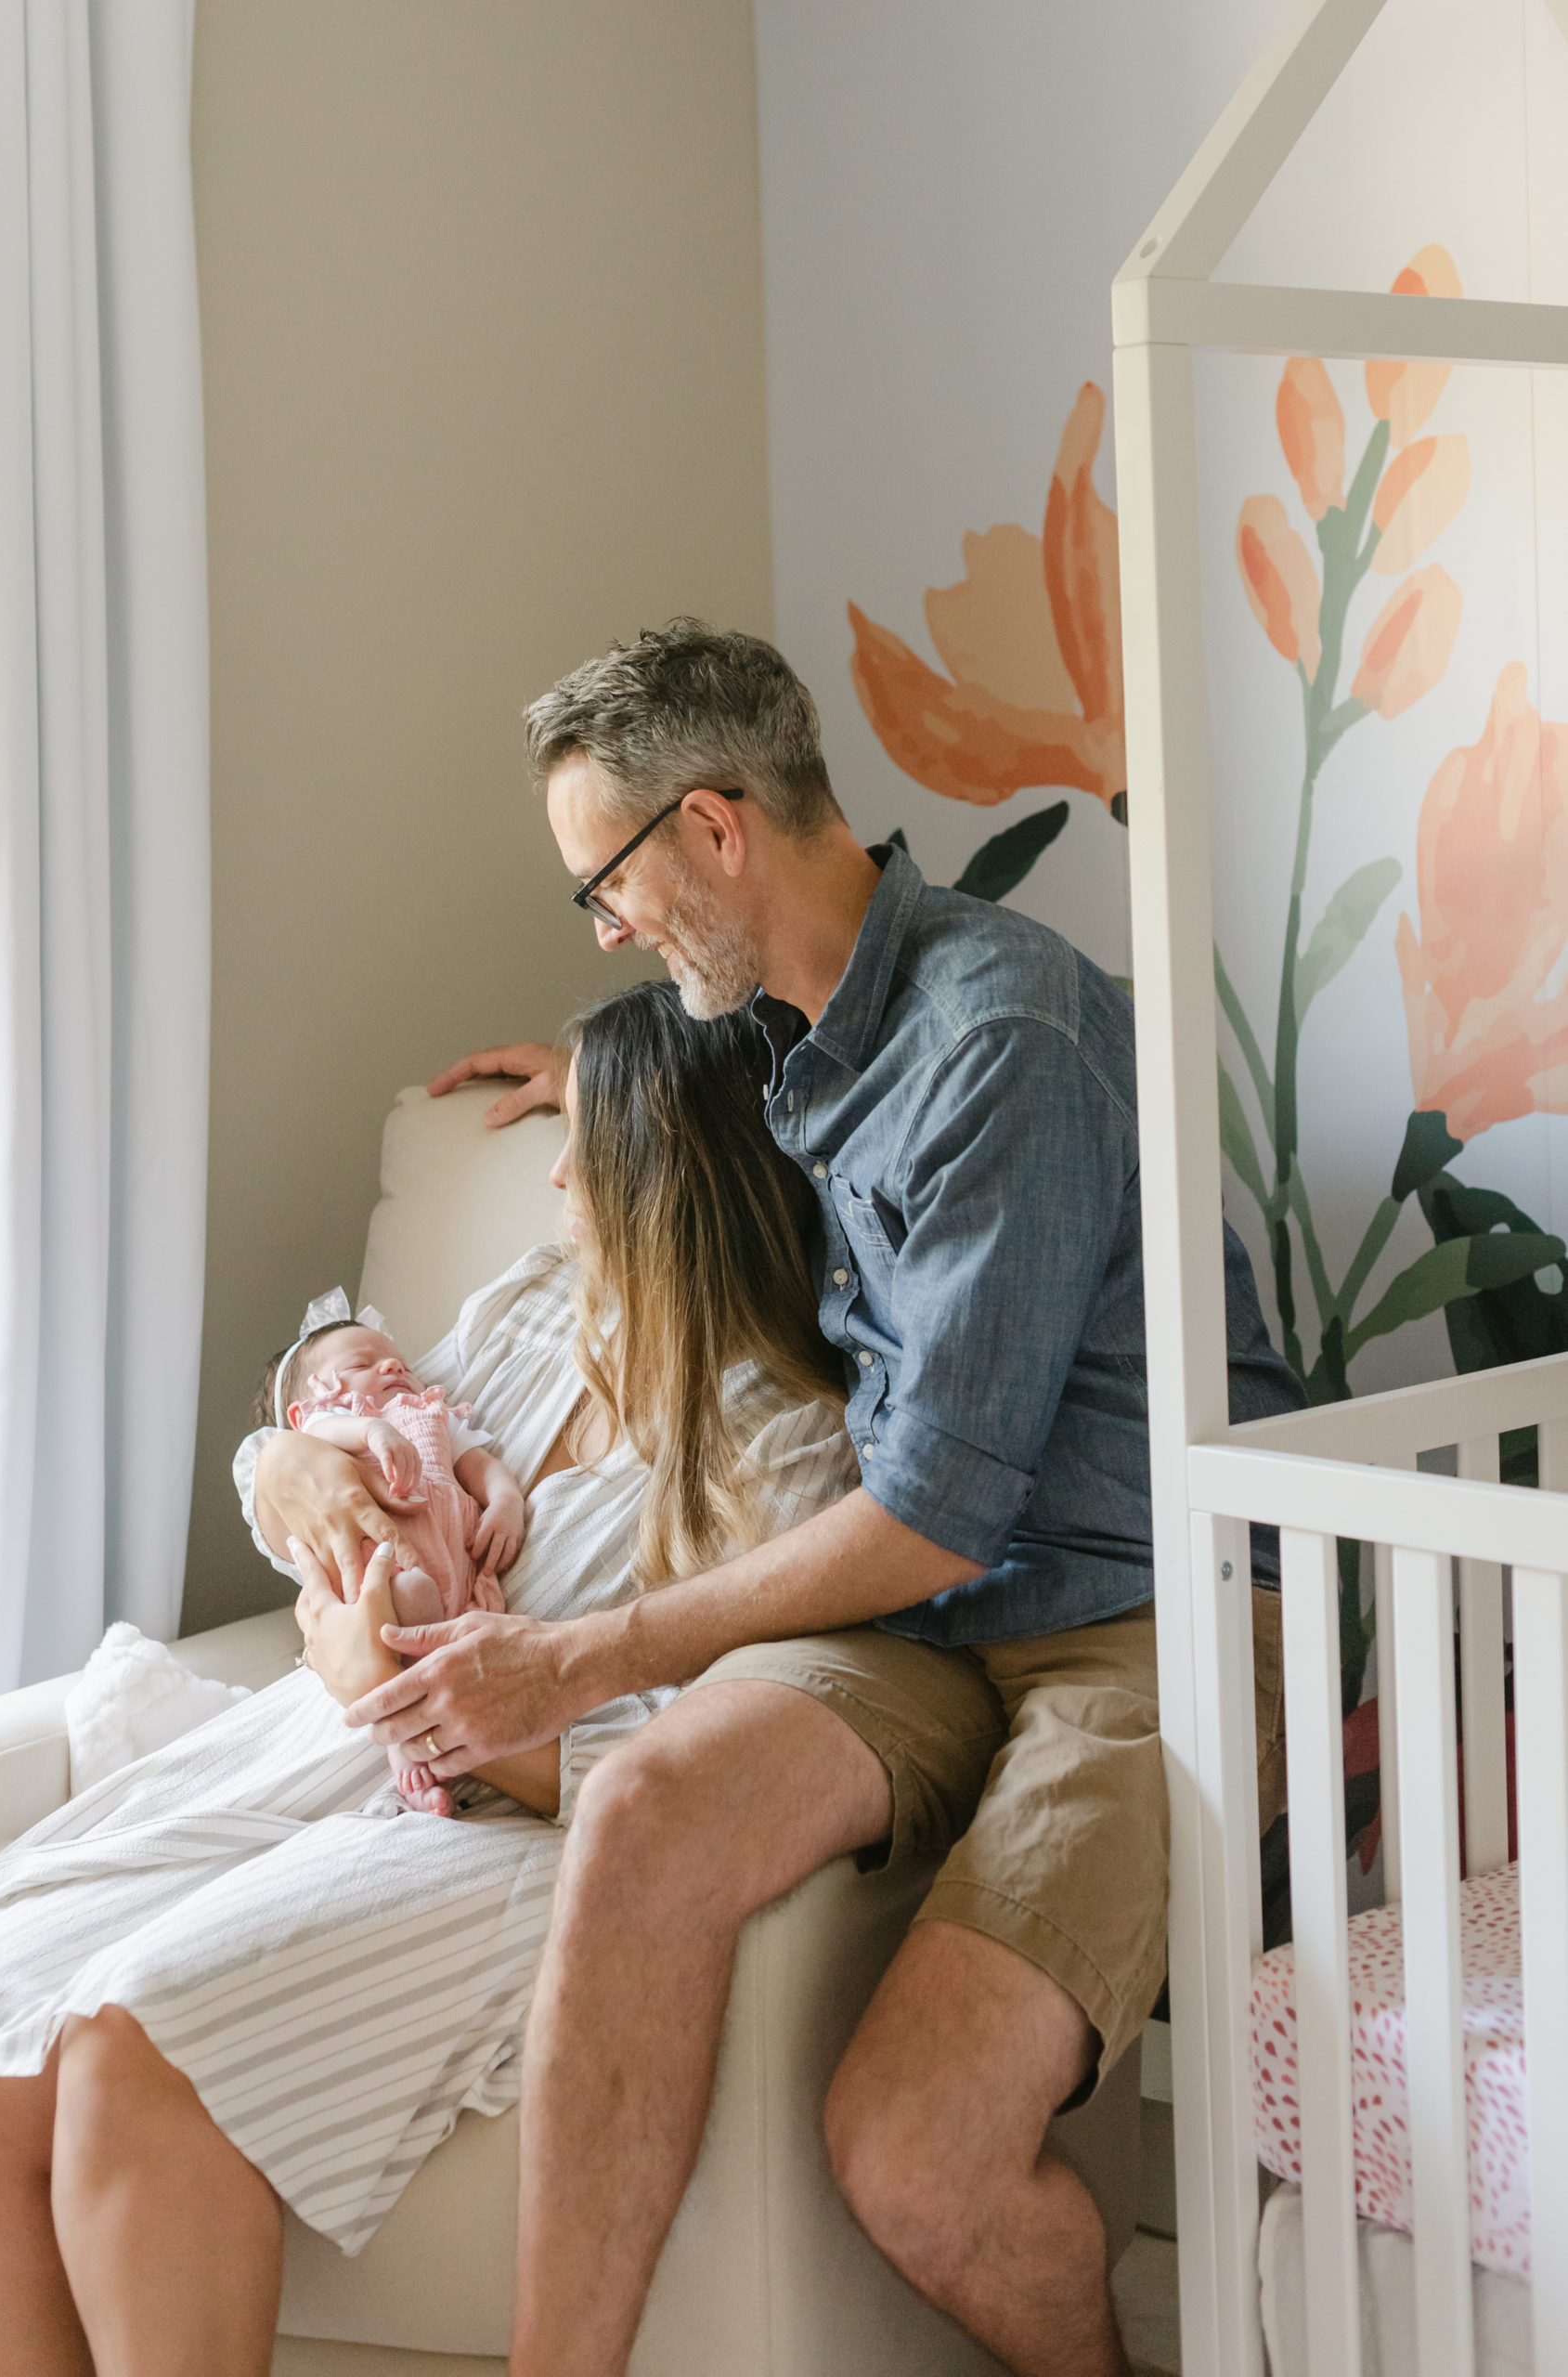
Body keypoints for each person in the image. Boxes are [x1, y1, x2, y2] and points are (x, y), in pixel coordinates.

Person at [384, 619, 1304, 2377]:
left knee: (915, 2154)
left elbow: (938, 1510)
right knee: (647, 1808)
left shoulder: (997, 1039)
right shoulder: (780, 1011)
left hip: (1140, 1611)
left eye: (608, 886)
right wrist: (592, 1069)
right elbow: (700, 1081)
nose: (609, 929)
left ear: (715, 832)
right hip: (942, 1614)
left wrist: (573, 1655)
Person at [0, 982, 854, 2377]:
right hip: (313, 1749)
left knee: (140, 2041)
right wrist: (289, 1464)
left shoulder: (791, 1442)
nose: (557, 1172)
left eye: (592, 1139)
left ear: (683, 1173)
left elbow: (702, 1752)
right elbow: (351, 1440)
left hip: (513, 1833)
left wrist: (414, 1694)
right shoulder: (533, 1306)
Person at [261, 1302, 526, 1810]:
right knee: (414, 1600)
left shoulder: (435, 1415)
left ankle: (448, 1762)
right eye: (362, 1365)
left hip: (458, 1571)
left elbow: (480, 1465)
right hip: (391, 1574)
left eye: (399, 1362)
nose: (392, 1368)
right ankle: (405, 1750)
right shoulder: (337, 1425)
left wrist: (506, 1501)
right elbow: (314, 1438)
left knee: (477, 1649)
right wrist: (372, 1431)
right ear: (306, 1408)